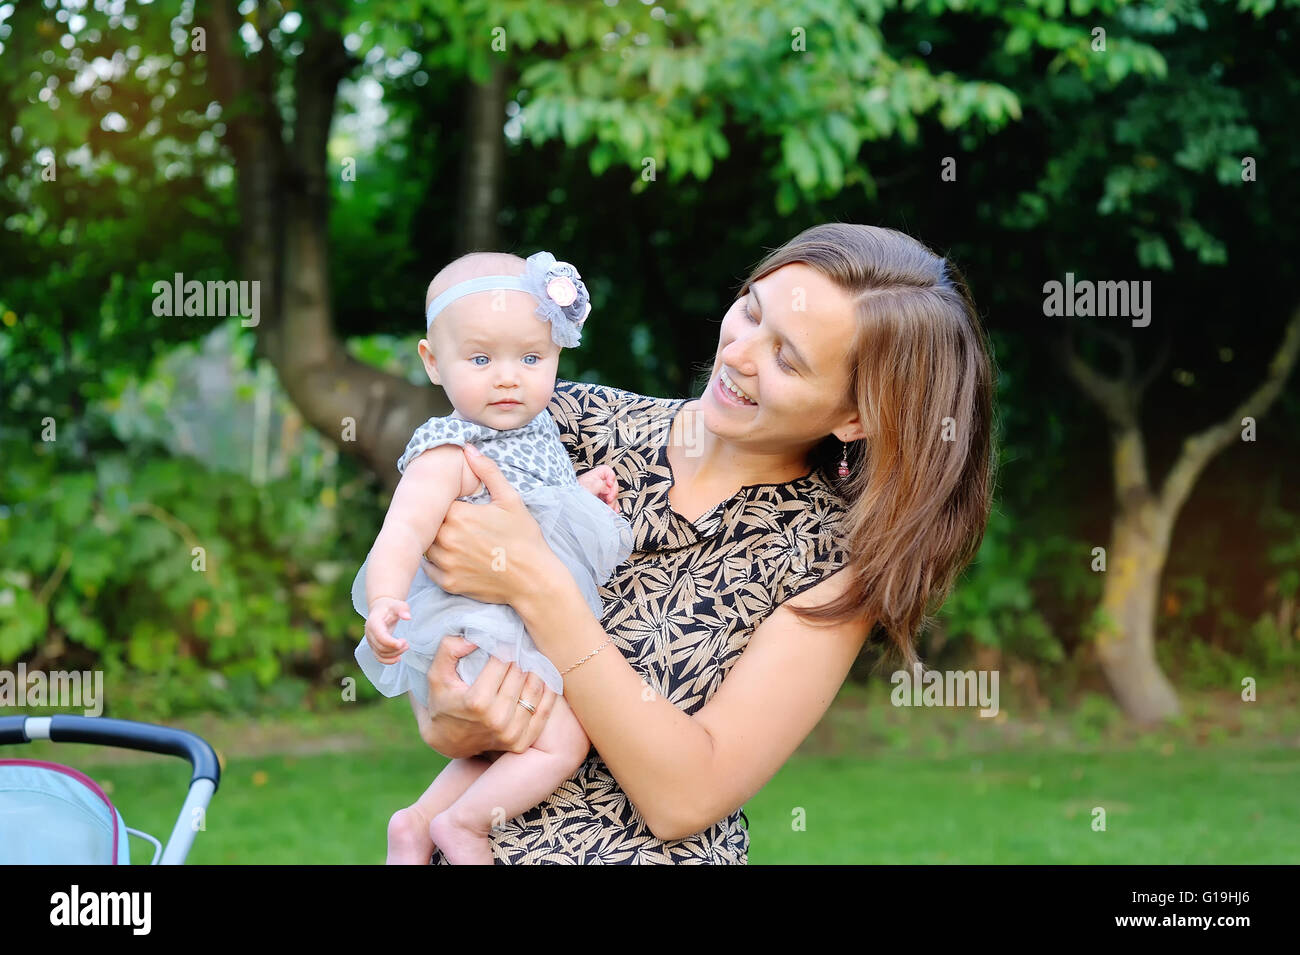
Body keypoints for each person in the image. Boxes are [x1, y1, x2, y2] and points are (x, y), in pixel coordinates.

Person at [414, 223, 997, 863]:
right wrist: (448, 715)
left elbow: (685, 798)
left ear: (854, 416)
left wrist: (541, 588)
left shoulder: (827, 560)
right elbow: (445, 612)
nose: (740, 354)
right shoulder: (560, 425)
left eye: (787, 358)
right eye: (750, 311)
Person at [351, 250, 634, 864]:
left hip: (524, 626)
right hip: (482, 625)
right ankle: (465, 827)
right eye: (480, 359)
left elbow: (537, 509)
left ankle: (418, 823)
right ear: (434, 362)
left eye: (531, 358)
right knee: (561, 741)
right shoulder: (450, 450)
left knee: (506, 742)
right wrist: (383, 602)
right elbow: (400, 533)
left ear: (557, 356)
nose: (508, 377)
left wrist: (578, 496)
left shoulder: (537, 434)